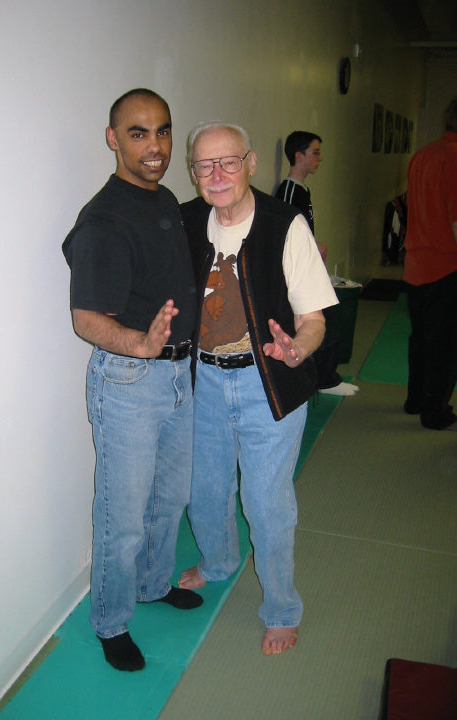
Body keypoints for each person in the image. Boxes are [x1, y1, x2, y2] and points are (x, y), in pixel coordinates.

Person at [178, 121, 338, 655]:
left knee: (266, 503)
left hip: (266, 379)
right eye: (204, 165)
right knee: (205, 489)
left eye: (228, 162)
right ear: (193, 171)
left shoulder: (284, 225)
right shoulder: (186, 221)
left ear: (249, 163)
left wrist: (298, 348)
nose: (217, 175)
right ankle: (219, 560)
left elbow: (313, 319)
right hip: (203, 379)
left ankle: (282, 608)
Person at [62, 88, 203, 672]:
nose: (155, 146)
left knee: (170, 497)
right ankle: (111, 620)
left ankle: (151, 583)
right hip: (128, 382)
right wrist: (142, 345)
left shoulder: (163, 197)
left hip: (177, 375)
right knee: (122, 518)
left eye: (162, 130)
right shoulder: (104, 220)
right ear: (113, 139)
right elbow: (86, 319)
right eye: (138, 133)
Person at [276, 131, 359, 396]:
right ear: (298, 156)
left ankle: (326, 377)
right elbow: (284, 233)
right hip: (296, 274)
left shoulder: (302, 190)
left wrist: (314, 243)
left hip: (307, 267)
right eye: (315, 153)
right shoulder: (289, 191)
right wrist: (312, 245)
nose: (319, 159)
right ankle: (325, 380)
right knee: (327, 317)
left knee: (330, 318)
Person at [403, 96, 457, 431]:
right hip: (445, 266)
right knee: (445, 345)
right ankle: (435, 411)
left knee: (421, 338)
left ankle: (416, 400)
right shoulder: (454, 157)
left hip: (416, 265)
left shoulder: (423, 155)